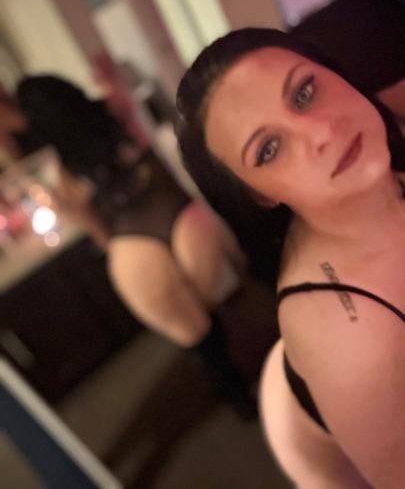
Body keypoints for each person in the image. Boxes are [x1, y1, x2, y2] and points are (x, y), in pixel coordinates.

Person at [175, 28, 405, 487]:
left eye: (304, 92)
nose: (322, 131)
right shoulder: (353, 341)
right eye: (269, 149)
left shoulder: (373, 143)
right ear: (259, 195)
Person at [5, 75, 255, 415]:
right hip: (177, 213)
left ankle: (237, 395)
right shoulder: (115, 114)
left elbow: (90, 224)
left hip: (131, 240)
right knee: (216, 302)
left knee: (193, 330)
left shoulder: (62, 169)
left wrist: (110, 247)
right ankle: (250, 373)